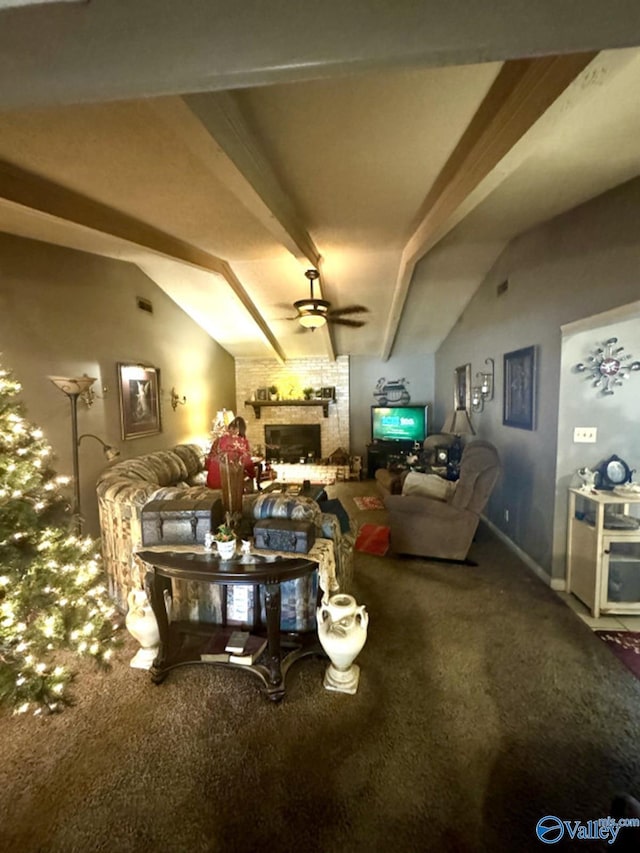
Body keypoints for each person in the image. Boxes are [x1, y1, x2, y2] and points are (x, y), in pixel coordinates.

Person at [206, 416, 262, 491]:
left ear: (229, 428)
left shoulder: (218, 440)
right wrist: (252, 474)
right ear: (241, 430)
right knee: (247, 477)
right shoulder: (242, 442)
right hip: (230, 483)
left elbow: (209, 460)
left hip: (212, 481)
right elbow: (248, 464)